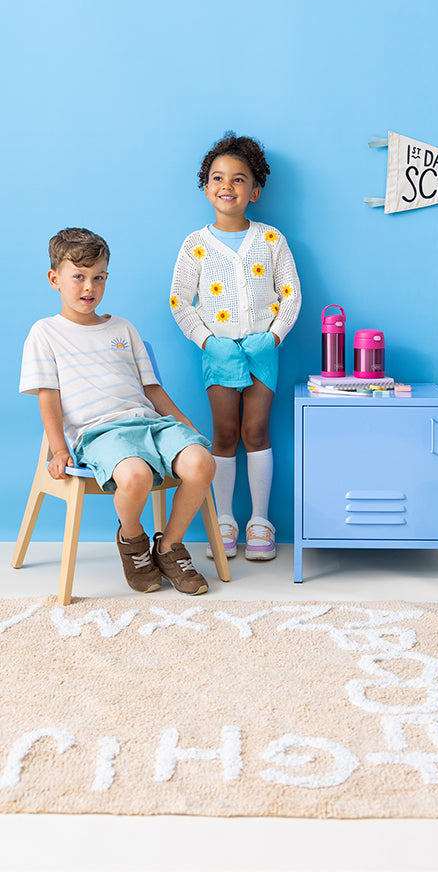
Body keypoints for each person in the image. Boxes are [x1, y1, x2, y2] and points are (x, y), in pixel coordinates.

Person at [20, 227, 216, 596]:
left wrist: (181, 421)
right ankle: (132, 539)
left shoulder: (123, 328)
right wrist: (59, 449)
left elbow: (151, 388)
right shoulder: (45, 333)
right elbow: (48, 396)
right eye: (79, 277)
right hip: (99, 434)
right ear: (54, 279)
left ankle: (169, 546)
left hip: (149, 426)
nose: (89, 287)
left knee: (201, 462)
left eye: (98, 277)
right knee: (135, 476)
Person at [170, 132, 301, 561]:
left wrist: (273, 337)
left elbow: (291, 296)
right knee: (224, 434)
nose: (227, 185)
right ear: (206, 186)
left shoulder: (271, 240)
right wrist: (208, 342)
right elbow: (179, 302)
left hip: (263, 351)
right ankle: (222, 520)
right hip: (219, 353)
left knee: (256, 431)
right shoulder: (196, 245)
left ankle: (260, 521)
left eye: (239, 179)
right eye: (218, 177)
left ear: (254, 191)